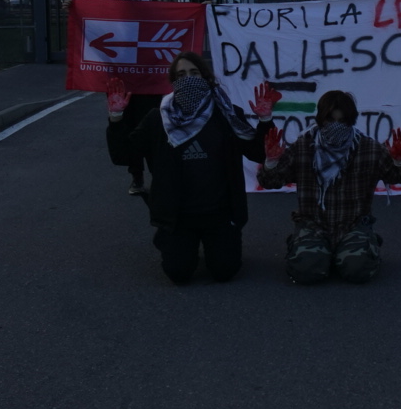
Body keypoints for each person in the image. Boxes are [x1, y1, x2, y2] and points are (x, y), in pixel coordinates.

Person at [108, 53, 277, 285]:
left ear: (206, 77)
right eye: (181, 75)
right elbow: (123, 155)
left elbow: (257, 152)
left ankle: (224, 240)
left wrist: (265, 120)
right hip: (178, 216)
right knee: (178, 274)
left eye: (194, 73)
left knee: (224, 272)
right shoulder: (158, 119)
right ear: (173, 82)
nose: (188, 78)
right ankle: (168, 238)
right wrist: (116, 118)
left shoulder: (228, 114)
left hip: (220, 213)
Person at [258, 92, 401, 284]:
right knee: (305, 271)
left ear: (351, 121)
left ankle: (365, 242)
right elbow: (271, 181)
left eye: (342, 121)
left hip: (352, 224)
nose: (335, 126)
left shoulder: (368, 148)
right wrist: (271, 162)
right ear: (320, 119)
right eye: (330, 120)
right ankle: (305, 245)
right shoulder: (304, 146)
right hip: (313, 224)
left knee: (358, 270)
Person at [99, 0, 159, 195]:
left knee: (152, 126)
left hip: (149, 79)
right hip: (120, 80)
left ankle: (158, 175)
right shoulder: (108, 9)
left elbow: (178, 19)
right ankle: (136, 177)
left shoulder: (153, 6)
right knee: (126, 128)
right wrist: (72, 8)